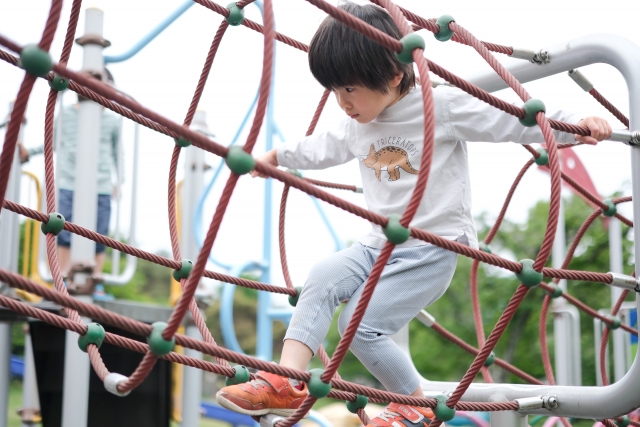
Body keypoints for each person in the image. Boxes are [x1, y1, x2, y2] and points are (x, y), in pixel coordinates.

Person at [216, 3, 612, 426]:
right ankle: (285, 382)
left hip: (432, 250)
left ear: (392, 74)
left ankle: (414, 405)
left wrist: (572, 125)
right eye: (334, 90)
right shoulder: (356, 125)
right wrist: (277, 157)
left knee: (361, 326)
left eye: (349, 88)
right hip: (377, 244)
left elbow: (510, 120)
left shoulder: (437, 106)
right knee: (322, 275)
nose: (342, 102)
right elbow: (321, 147)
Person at [20, 69, 122, 277]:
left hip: (100, 183)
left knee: (99, 233)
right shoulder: (67, 114)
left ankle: (95, 279)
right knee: (63, 227)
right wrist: (29, 152)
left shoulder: (112, 121)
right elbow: (53, 142)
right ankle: (64, 276)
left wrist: (119, 181)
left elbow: (118, 152)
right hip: (69, 180)